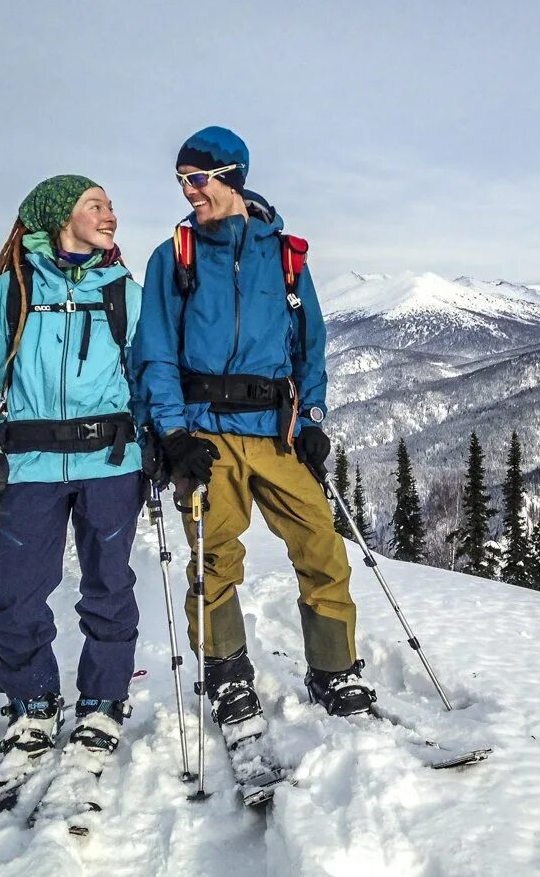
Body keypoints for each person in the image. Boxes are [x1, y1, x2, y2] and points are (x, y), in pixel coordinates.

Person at [133, 126, 376, 731]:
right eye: (181, 181)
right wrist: (173, 435)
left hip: (277, 433)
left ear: (232, 177)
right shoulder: (174, 257)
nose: (189, 192)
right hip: (205, 433)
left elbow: (310, 347)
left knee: (321, 545)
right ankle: (227, 675)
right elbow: (155, 351)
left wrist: (313, 418)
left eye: (197, 180)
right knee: (213, 558)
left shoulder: (286, 255)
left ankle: (334, 668)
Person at [0, 175, 145, 780]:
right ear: (60, 215)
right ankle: (32, 699)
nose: (109, 214)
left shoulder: (124, 292)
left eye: (111, 205)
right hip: (31, 467)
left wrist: (158, 446)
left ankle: (102, 700)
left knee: (109, 588)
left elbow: (147, 378)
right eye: (96, 204)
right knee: (15, 592)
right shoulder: (9, 293)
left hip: (112, 465)